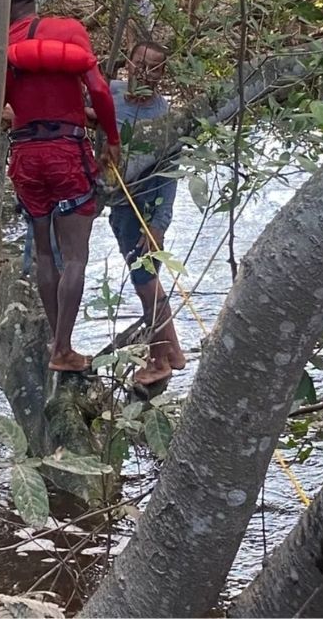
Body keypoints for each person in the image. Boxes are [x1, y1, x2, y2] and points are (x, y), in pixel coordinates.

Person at [3, 0, 121, 373]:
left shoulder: (1, 43)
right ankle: (63, 350)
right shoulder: (70, 29)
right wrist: (112, 138)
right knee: (75, 256)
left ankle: (59, 343)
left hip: (25, 155)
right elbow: (101, 91)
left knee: (42, 253)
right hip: (66, 152)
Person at [102, 41, 187, 386]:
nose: (145, 73)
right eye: (140, 64)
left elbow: (171, 175)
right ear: (128, 63)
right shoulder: (110, 94)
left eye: (154, 68)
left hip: (143, 207)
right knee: (147, 281)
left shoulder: (164, 117)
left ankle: (160, 360)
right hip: (118, 201)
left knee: (146, 283)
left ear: (163, 74)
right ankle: (175, 352)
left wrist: (158, 225)